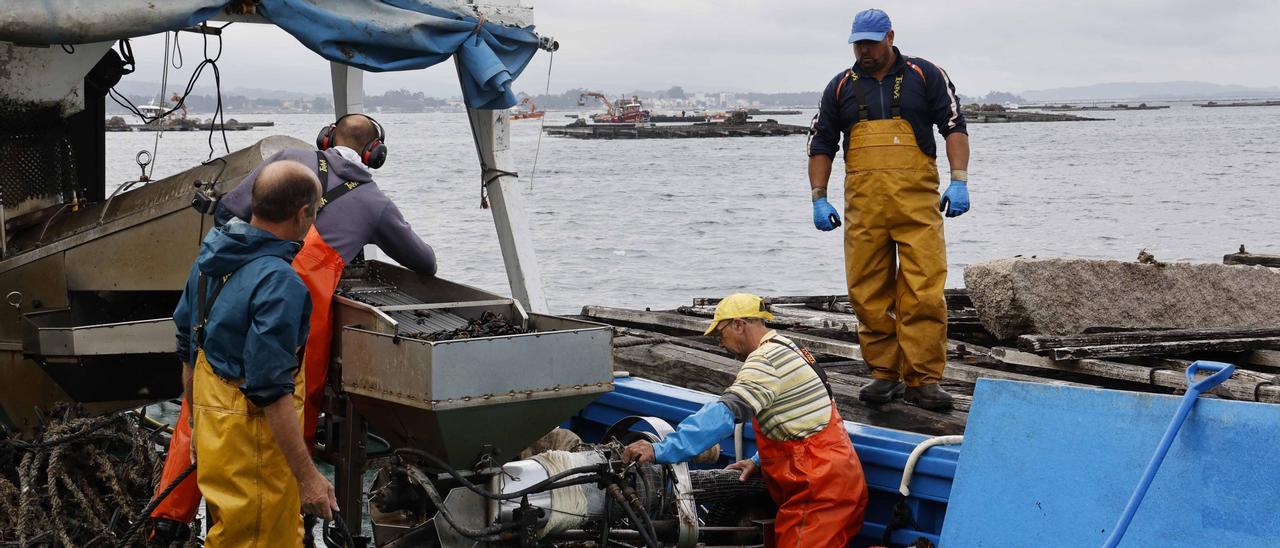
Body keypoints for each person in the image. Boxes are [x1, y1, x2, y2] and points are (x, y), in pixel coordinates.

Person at [150, 113, 438, 536]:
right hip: (301, 310)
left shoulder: (286, 160)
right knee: (289, 417)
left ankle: (167, 522)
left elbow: (228, 211)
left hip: (233, 293)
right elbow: (426, 262)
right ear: (373, 154)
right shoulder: (373, 202)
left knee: (203, 417)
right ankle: (296, 508)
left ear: (326, 137)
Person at [807, 8, 970, 411]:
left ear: (890, 37)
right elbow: (821, 143)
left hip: (917, 205)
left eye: (870, 42)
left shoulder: (925, 75)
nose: (863, 50)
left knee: (924, 292)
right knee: (866, 292)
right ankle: (884, 374)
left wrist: (960, 179)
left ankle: (924, 380)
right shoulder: (840, 86)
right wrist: (818, 196)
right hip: (864, 208)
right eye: (857, 43)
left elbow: (954, 126)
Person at [174, 160, 336, 545]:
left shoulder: (208, 261)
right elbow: (270, 388)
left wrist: (197, 426)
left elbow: (189, 350)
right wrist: (308, 477)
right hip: (255, 444)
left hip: (216, 431)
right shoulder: (281, 282)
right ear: (303, 214)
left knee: (229, 533)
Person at [622, 293, 868, 547]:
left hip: (818, 491)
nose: (720, 344)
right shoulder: (788, 348)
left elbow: (723, 415)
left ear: (738, 325)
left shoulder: (764, 361)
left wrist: (660, 449)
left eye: (721, 334)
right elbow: (804, 421)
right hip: (838, 478)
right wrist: (758, 461)